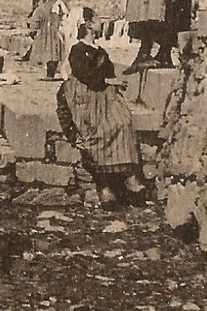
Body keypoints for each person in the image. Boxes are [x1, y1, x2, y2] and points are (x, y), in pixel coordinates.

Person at [57, 25, 150, 208]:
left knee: (123, 122)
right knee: (100, 129)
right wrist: (106, 81)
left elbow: (110, 73)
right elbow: (83, 74)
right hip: (84, 94)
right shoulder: (78, 49)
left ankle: (130, 177)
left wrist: (114, 81)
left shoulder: (101, 51)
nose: (101, 23)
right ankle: (104, 185)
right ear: (89, 25)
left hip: (104, 94)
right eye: (97, 19)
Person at [29, 0, 69, 80]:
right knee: (54, 54)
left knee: (48, 53)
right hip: (56, 33)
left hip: (46, 34)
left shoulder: (42, 7)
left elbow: (35, 20)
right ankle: (50, 73)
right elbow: (66, 17)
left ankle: (49, 73)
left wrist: (33, 30)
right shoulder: (60, 5)